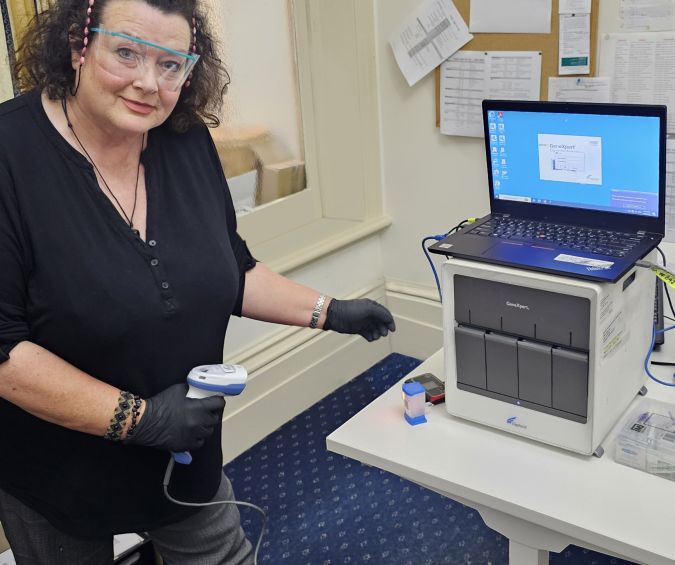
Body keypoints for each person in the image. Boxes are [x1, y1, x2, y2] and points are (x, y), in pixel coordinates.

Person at [0, 0, 396, 563]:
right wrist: (143, 420)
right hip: (56, 472)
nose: (148, 83)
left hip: (183, 451)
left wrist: (330, 310)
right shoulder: (9, 154)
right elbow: (4, 352)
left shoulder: (183, 138)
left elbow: (231, 269)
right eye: (126, 52)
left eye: (170, 64)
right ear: (78, 43)